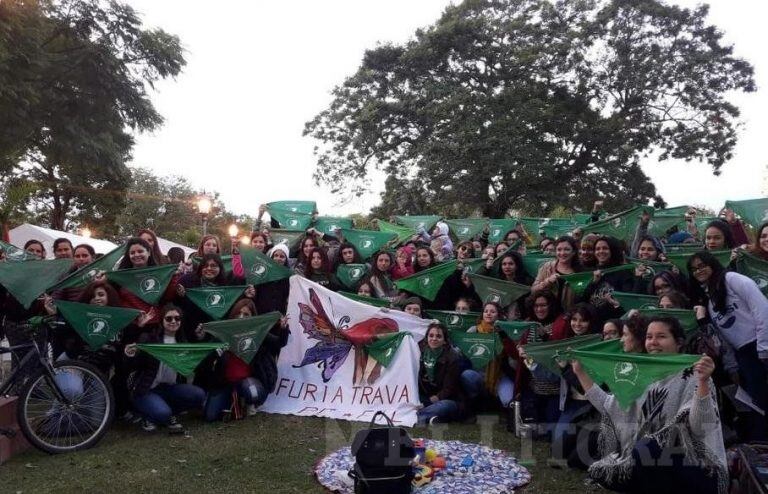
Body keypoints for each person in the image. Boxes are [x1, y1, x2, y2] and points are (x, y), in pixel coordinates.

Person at [571, 317, 726, 494]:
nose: (653, 342)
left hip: (699, 466)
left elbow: (700, 428)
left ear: (679, 343)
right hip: (653, 461)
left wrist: (704, 382)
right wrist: (580, 372)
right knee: (607, 468)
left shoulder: (694, 373)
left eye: (661, 336)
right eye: (649, 337)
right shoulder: (643, 376)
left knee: (646, 449)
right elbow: (609, 405)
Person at [688, 250, 768, 440]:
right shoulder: (709, 302)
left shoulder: (732, 279)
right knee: (758, 404)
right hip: (744, 356)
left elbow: (762, 309)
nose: (699, 271)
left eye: (702, 265)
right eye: (694, 269)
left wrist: (764, 347)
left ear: (712, 263)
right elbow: (723, 339)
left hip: (760, 346)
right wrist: (732, 366)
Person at [200, 299, 289, 421]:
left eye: (246, 314)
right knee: (210, 416)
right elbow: (206, 354)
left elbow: (279, 343)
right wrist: (203, 338)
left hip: (246, 381)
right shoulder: (223, 331)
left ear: (252, 317)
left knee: (254, 393)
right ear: (233, 314)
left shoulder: (257, 332)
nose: (241, 317)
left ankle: (247, 402)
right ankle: (231, 401)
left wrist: (283, 328)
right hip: (224, 382)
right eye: (238, 313)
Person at [123, 305, 206, 433]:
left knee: (199, 395)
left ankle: (163, 412)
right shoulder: (149, 338)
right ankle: (148, 415)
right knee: (163, 413)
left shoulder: (182, 342)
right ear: (162, 321)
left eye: (177, 318)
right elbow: (134, 363)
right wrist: (130, 353)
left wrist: (200, 340)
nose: (173, 321)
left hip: (169, 388)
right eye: (169, 318)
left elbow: (193, 363)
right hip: (146, 389)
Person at [417, 323, 465, 425]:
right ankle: (427, 418)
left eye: (438, 336)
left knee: (444, 406)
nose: (434, 339)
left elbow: (448, 390)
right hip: (425, 396)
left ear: (444, 340)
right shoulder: (419, 352)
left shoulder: (452, 358)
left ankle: (416, 417)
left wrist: (426, 403)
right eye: (431, 335)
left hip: (446, 399)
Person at [581, 236, 634, 322]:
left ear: (612, 250)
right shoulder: (589, 272)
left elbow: (628, 300)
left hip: (615, 323)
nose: (601, 251)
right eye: (597, 249)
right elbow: (580, 299)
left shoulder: (623, 272)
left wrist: (616, 304)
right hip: (592, 323)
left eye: (605, 248)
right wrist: (594, 282)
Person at [533, 236, 581, 311]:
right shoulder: (547, 267)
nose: (562, 253)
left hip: (568, 316)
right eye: (559, 250)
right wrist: (547, 282)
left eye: (567, 249)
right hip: (546, 313)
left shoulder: (579, 273)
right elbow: (533, 290)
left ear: (573, 252)